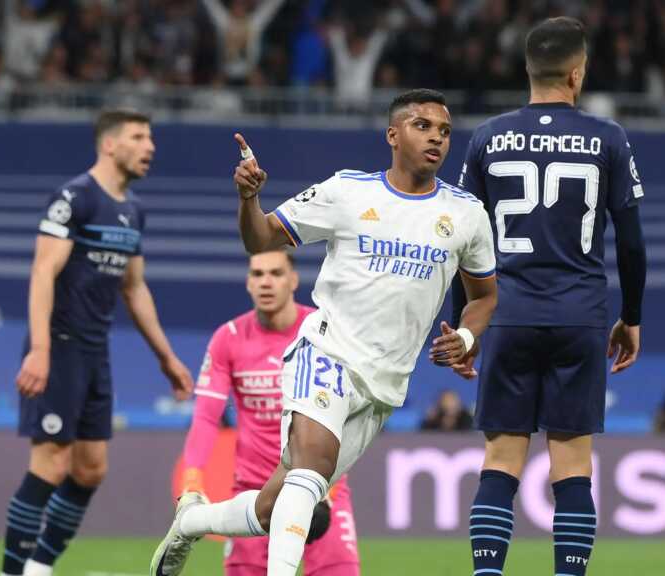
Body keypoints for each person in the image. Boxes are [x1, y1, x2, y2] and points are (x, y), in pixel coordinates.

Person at [150, 88, 498, 576]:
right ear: (393, 135)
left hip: (385, 384)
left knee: (276, 506)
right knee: (311, 466)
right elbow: (261, 238)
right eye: (422, 126)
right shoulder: (349, 192)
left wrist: (464, 337)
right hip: (327, 352)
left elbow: (484, 297)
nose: (436, 138)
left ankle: (190, 523)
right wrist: (249, 199)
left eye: (443, 130)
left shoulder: (466, 214)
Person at [453, 17, 646, 576]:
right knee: (573, 468)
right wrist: (630, 317)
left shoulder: (488, 136)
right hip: (580, 317)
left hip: (506, 315)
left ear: (528, 70)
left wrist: (463, 328)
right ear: (577, 74)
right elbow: (631, 245)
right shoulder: (607, 137)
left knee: (501, 461)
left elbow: (463, 242)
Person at [1, 109, 193, 576]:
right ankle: (11, 573)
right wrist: (41, 348)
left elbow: (134, 288)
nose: (150, 146)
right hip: (59, 345)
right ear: (110, 144)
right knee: (51, 463)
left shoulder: (133, 210)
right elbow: (43, 270)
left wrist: (166, 356)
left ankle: (38, 568)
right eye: (139, 137)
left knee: (90, 470)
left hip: (94, 350)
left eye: (151, 137)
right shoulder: (75, 198)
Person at [181, 249, 360, 575]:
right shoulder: (228, 339)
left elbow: (349, 412)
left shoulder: (323, 332)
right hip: (253, 492)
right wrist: (192, 479)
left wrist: (329, 485)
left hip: (320, 484)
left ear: (293, 280)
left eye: (276, 273)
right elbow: (207, 415)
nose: (266, 282)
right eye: (257, 274)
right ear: (248, 283)